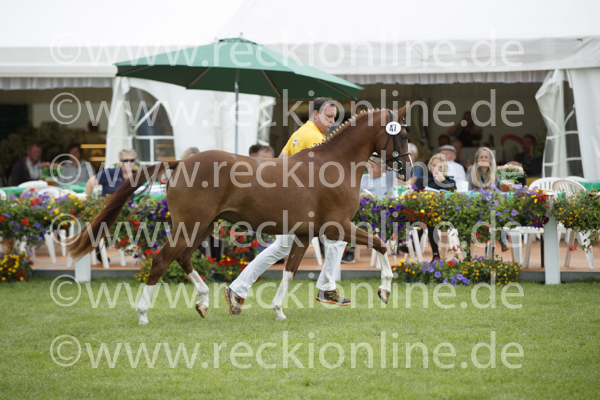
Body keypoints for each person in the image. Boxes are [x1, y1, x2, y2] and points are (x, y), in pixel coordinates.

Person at [225, 97, 350, 315]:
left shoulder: (299, 133)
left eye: (334, 118)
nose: (332, 122)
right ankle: (327, 288)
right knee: (338, 236)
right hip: (301, 207)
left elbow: (280, 161)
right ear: (315, 114)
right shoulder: (315, 138)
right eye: (329, 117)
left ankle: (238, 287)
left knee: (280, 248)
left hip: (289, 203)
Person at [411, 153, 457, 261]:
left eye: (440, 166)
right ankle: (435, 255)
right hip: (425, 214)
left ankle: (416, 245)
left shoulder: (449, 181)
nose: (436, 169)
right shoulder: (422, 179)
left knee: (430, 218)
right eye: (434, 165)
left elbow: (454, 195)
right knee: (428, 217)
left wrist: (443, 181)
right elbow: (414, 196)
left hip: (444, 214)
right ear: (429, 165)